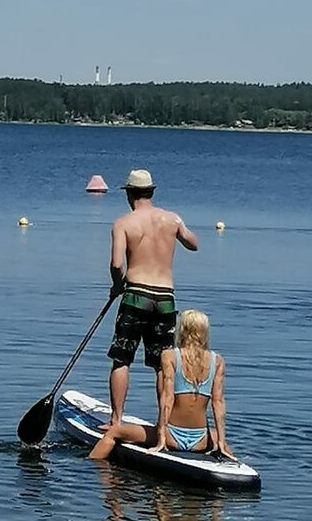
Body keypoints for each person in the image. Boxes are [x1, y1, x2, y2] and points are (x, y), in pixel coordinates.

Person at [106, 168, 198, 426]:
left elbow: (116, 265)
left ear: (130, 194)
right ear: (152, 192)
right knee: (162, 364)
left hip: (136, 295)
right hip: (165, 298)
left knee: (122, 359)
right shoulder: (172, 219)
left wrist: (116, 286)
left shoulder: (123, 223)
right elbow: (194, 243)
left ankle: (116, 420)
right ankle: (164, 423)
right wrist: (177, 230)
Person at [89, 309, 236, 461]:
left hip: (171, 436)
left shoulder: (170, 355)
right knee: (219, 439)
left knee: (114, 432)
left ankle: (91, 466)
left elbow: (167, 397)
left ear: (182, 330)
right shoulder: (217, 361)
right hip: (201, 440)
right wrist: (220, 442)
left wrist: (161, 439)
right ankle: (229, 456)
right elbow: (218, 403)